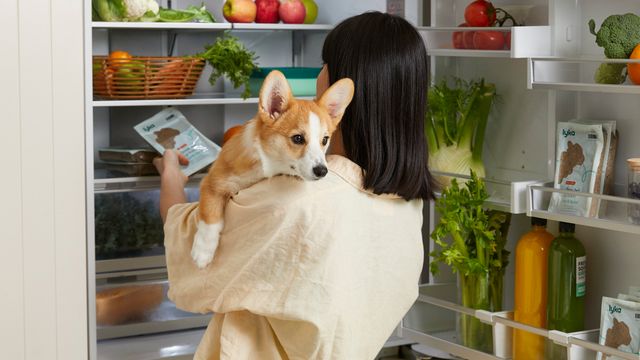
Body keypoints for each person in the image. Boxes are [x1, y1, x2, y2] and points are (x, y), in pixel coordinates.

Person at [154, 11, 434, 360]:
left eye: (323, 64)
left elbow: (189, 244)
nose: (319, 76)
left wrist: (170, 176)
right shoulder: (409, 207)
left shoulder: (293, 201)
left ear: (340, 92)